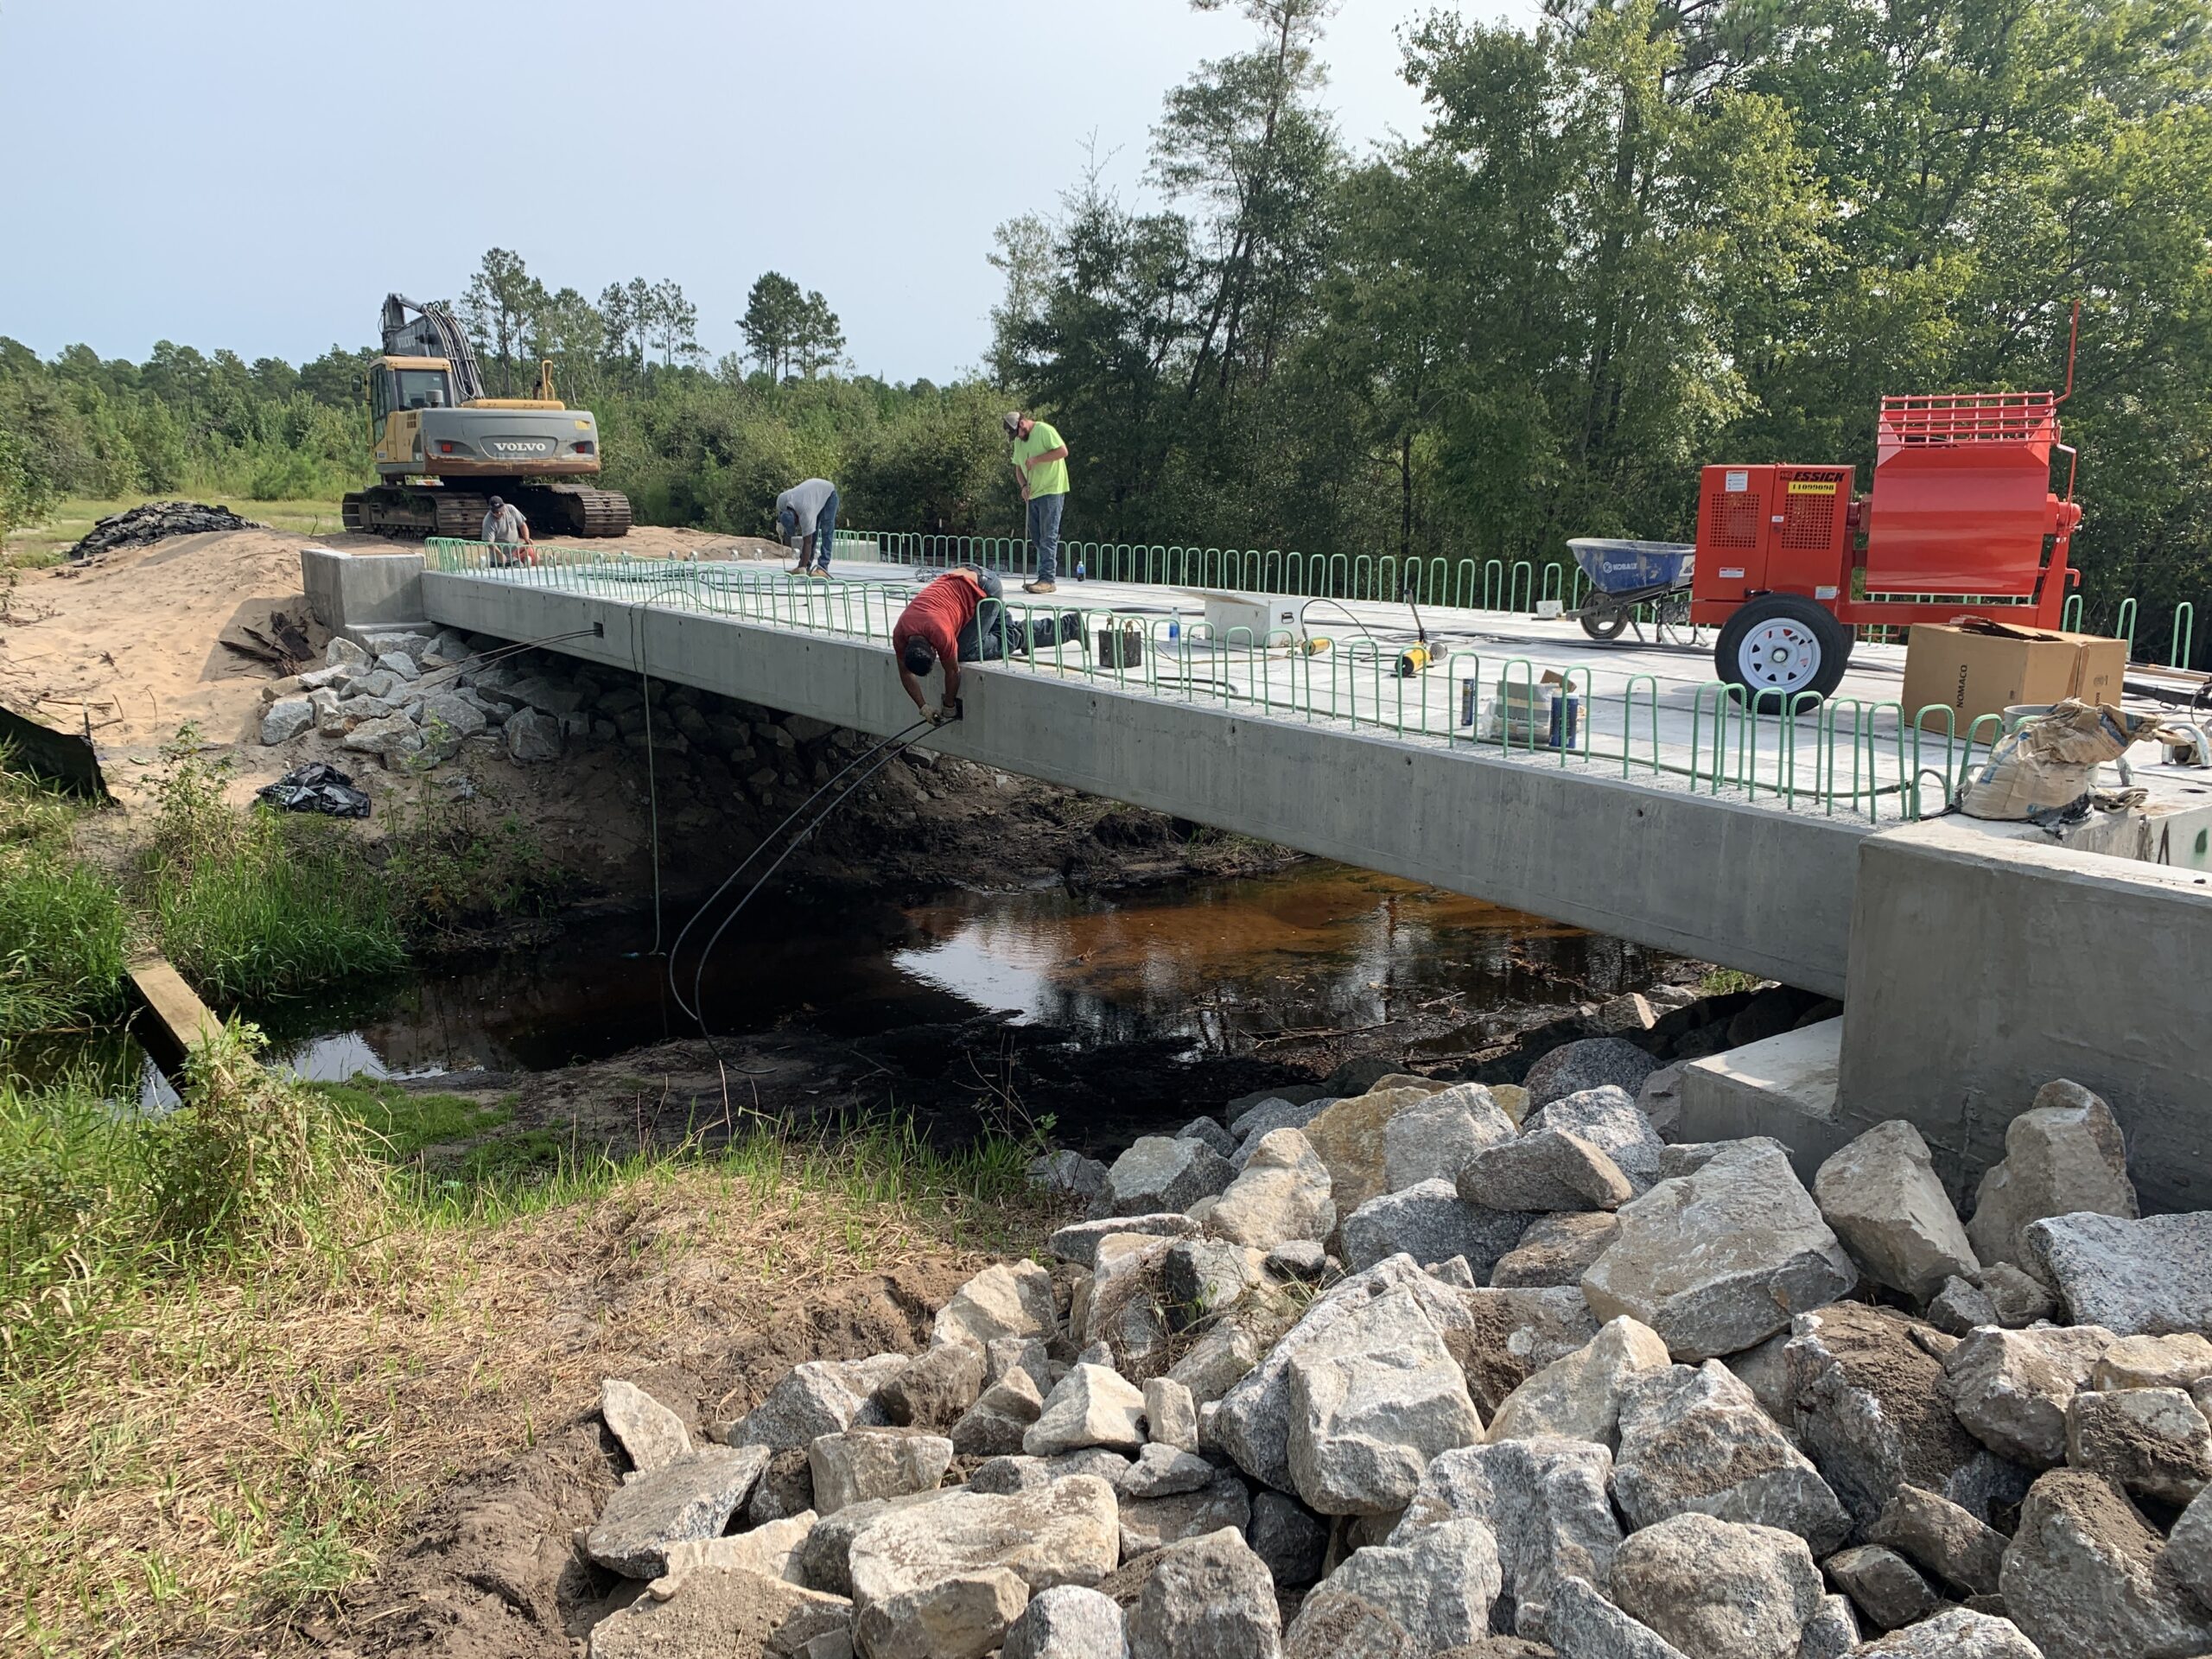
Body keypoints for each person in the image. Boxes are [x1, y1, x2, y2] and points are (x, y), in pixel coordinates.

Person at [892, 565, 1084, 719]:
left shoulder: (939, 633)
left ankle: (1059, 627)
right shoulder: (900, 631)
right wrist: (922, 706)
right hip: (966, 577)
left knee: (968, 650)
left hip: (985, 589)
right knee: (1000, 633)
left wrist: (949, 706)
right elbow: (905, 673)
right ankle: (1063, 627)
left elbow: (953, 671)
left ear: (934, 650)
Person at [1004, 411, 1069, 594]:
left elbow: (1063, 451)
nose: (1017, 437)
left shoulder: (1045, 431)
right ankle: (1043, 576)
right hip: (1033, 492)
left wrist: (1036, 460)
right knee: (1037, 536)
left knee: (1048, 536)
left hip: (1052, 490)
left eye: (1017, 432)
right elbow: (1018, 468)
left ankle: (1048, 579)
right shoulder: (1018, 441)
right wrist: (1023, 486)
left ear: (1022, 423)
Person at [775, 477, 839, 577]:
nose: (798, 526)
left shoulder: (806, 513)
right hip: (812, 495)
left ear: (797, 518)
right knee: (811, 531)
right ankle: (805, 566)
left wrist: (801, 568)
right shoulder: (782, 500)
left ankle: (823, 568)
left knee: (826, 531)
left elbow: (807, 542)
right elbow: (780, 513)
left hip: (828, 495)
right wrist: (779, 524)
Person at [481, 495, 531, 567]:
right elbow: (489, 542)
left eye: (500, 510)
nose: (499, 513)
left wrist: (527, 539)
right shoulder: (488, 521)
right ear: (491, 510)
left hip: (515, 557)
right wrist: (500, 555)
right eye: (496, 511)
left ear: (504, 506)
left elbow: (522, 525)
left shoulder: (511, 509)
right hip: (498, 561)